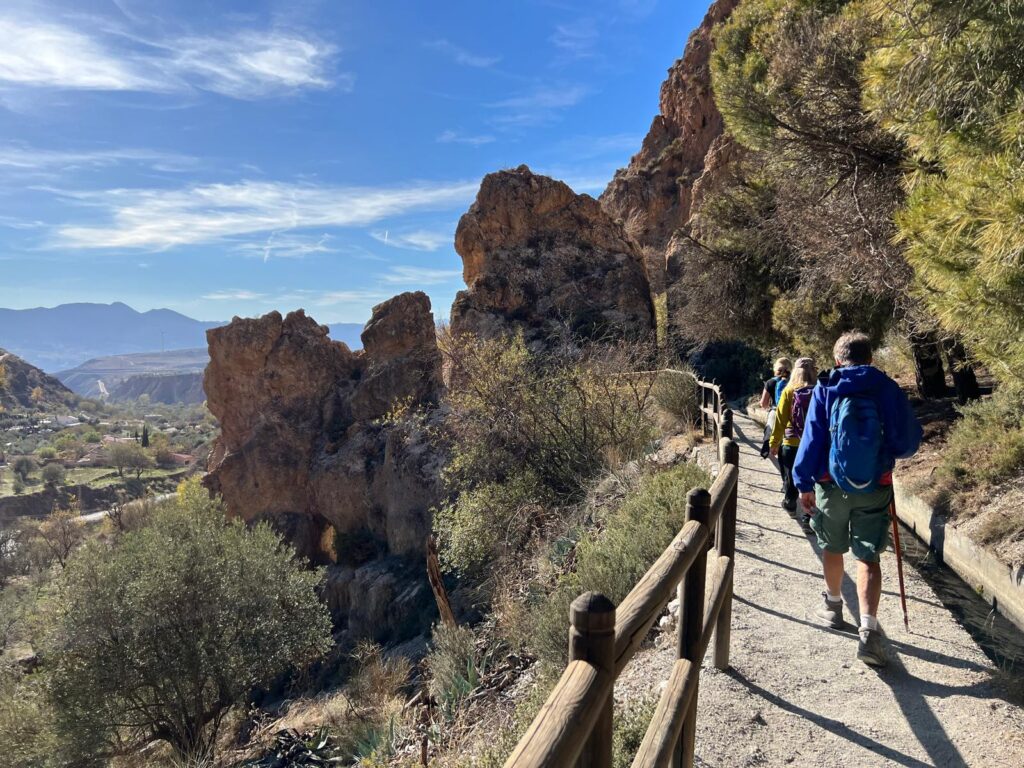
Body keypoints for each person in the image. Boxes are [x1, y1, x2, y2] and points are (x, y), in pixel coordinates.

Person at [793, 331, 922, 667]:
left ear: (838, 360)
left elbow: (812, 438)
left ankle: (834, 606)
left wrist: (803, 483)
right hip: (875, 484)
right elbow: (907, 443)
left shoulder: (825, 387)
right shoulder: (886, 387)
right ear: (871, 359)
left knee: (832, 547)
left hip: (830, 484)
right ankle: (868, 632)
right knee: (868, 557)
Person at [769, 357, 817, 519]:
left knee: (790, 476)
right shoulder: (820, 390)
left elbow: (780, 420)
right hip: (813, 444)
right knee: (812, 480)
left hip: (791, 443)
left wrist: (774, 443)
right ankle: (809, 518)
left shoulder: (789, 391)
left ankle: (790, 503)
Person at [758, 357, 792, 459]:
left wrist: (766, 405)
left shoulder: (770, 382)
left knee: (769, 431)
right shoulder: (793, 381)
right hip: (791, 413)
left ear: (775, 370)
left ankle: (767, 451)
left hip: (775, 411)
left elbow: (763, 403)